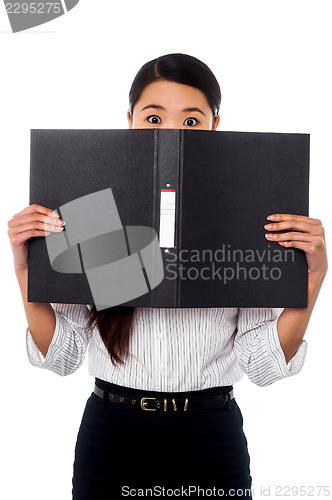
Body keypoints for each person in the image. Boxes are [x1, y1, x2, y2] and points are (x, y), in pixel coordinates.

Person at [8, 53, 328, 499]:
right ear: (130, 120)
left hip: (210, 437)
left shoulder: (244, 209)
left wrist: (310, 280)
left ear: (216, 125)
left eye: (192, 121)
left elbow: (263, 365)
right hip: (112, 436)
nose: (173, 131)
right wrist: (27, 269)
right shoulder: (94, 208)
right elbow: (62, 356)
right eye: (154, 116)